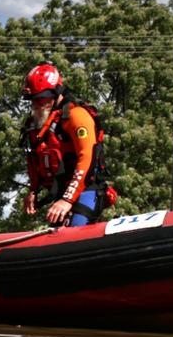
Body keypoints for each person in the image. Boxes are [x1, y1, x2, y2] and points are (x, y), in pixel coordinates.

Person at [21, 62, 115, 227]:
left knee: (73, 233)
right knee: (53, 239)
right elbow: (35, 158)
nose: (37, 104)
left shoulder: (76, 116)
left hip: (86, 190)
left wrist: (67, 199)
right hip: (61, 194)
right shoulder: (37, 123)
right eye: (33, 100)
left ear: (56, 92)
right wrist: (34, 190)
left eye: (42, 98)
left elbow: (87, 157)